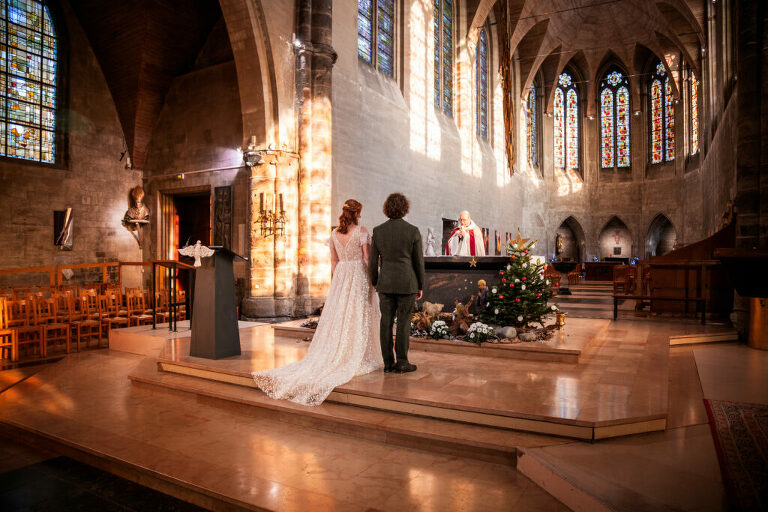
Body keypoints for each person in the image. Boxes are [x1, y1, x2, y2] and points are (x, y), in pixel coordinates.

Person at [252, 199, 382, 405]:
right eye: (360, 213)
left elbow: (334, 261)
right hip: (358, 276)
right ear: (357, 213)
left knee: (340, 316)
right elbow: (367, 259)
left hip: (341, 276)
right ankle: (356, 354)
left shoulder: (334, 234)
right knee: (358, 314)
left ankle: (339, 350)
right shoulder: (362, 231)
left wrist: (338, 281)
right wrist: (373, 279)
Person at [369, 193, 425, 373]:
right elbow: (418, 262)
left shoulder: (378, 231)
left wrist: (375, 281)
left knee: (385, 322)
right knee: (403, 322)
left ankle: (388, 363)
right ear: (405, 208)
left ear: (387, 208)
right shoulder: (413, 231)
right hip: (407, 283)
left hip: (385, 283)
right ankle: (402, 362)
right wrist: (420, 285)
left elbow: (372, 262)